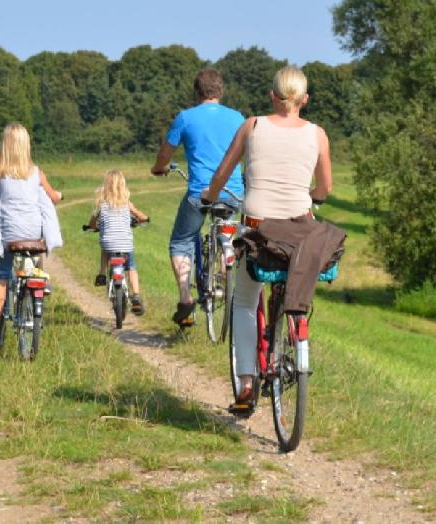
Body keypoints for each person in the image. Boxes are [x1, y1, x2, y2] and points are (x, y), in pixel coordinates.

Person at [202, 65, 335, 413]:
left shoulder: (253, 126)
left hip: (259, 229)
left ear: (271, 96)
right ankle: (290, 333)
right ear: (304, 100)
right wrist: (312, 198)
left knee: (245, 301)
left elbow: (223, 173)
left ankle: (246, 381)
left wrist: (208, 196)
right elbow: (324, 188)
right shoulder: (318, 135)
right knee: (293, 283)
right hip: (301, 231)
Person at [151, 68, 244, 326]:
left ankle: (185, 297)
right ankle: (226, 271)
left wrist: (158, 168)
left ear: (197, 91)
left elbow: (165, 155)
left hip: (199, 194)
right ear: (220, 90)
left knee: (181, 241)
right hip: (232, 192)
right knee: (227, 231)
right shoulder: (238, 118)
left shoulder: (185, 117)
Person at [0, 123, 62, 348]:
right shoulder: (37, 172)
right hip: (33, 234)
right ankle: (38, 277)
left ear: (5, 146)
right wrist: (58, 194)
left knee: (2, 275)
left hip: (10, 235)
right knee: (34, 249)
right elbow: (54, 197)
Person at [86, 170, 149, 316]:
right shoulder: (127, 203)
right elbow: (140, 215)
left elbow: (92, 223)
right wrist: (144, 218)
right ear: (123, 186)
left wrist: (92, 227)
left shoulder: (102, 205)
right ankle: (136, 295)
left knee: (105, 246)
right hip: (125, 245)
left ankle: (102, 273)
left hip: (109, 245)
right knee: (131, 267)